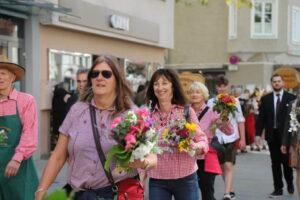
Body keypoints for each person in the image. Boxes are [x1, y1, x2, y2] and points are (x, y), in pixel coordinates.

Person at [35, 55, 157, 200]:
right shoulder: (77, 110)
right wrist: (41, 190)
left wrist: (143, 162)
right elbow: (58, 157)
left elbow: (153, 157)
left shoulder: (132, 114)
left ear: (117, 79)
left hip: (113, 194)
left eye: (106, 74)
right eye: (95, 74)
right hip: (78, 194)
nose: (100, 77)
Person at [146, 68, 208, 200]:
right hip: (158, 178)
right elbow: (143, 147)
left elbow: (202, 139)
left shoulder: (186, 111)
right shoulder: (148, 114)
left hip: (186, 178)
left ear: (173, 85)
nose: (160, 87)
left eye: (164, 83)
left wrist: (196, 147)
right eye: (156, 84)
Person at [0, 55, 39, 200]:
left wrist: (17, 159)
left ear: (13, 77)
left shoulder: (26, 100)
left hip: (20, 168)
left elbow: (30, 132)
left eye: (3, 73)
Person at [188, 82, 233, 200]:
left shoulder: (212, 111)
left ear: (204, 95)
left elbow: (229, 132)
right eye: (191, 92)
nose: (194, 94)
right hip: (187, 156)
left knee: (207, 191)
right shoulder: (185, 111)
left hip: (205, 156)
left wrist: (224, 120)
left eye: (197, 92)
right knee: (188, 191)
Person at [256, 74, 295, 198]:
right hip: (272, 135)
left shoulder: (291, 98)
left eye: (279, 81)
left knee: (286, 162)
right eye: (274, 81)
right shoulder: (266, 99)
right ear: (271, 83)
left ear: (283, 83)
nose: (277, 83)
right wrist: (258, 134)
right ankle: (278, 188)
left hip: (286, 136)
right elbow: (261, 118)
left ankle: (289, 182)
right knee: (275, 162)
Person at [207, 75, 246, 200]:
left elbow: (240, 120)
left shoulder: (234, 101)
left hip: (230, 138)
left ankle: (226, 193)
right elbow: (208, 121)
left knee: (229, 165)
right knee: (222, 166)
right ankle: (229, 188)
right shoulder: (211, 102)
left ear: (228, 86)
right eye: (219, 86)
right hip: (217, 138)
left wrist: (243, 139)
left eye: (224, 86)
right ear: (216, 87)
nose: (222, 89)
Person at [281, 86, 300, 197]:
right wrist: (284, 142)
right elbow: (287, 123)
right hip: (295, 142)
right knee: (299, 171)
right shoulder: (293, 104)